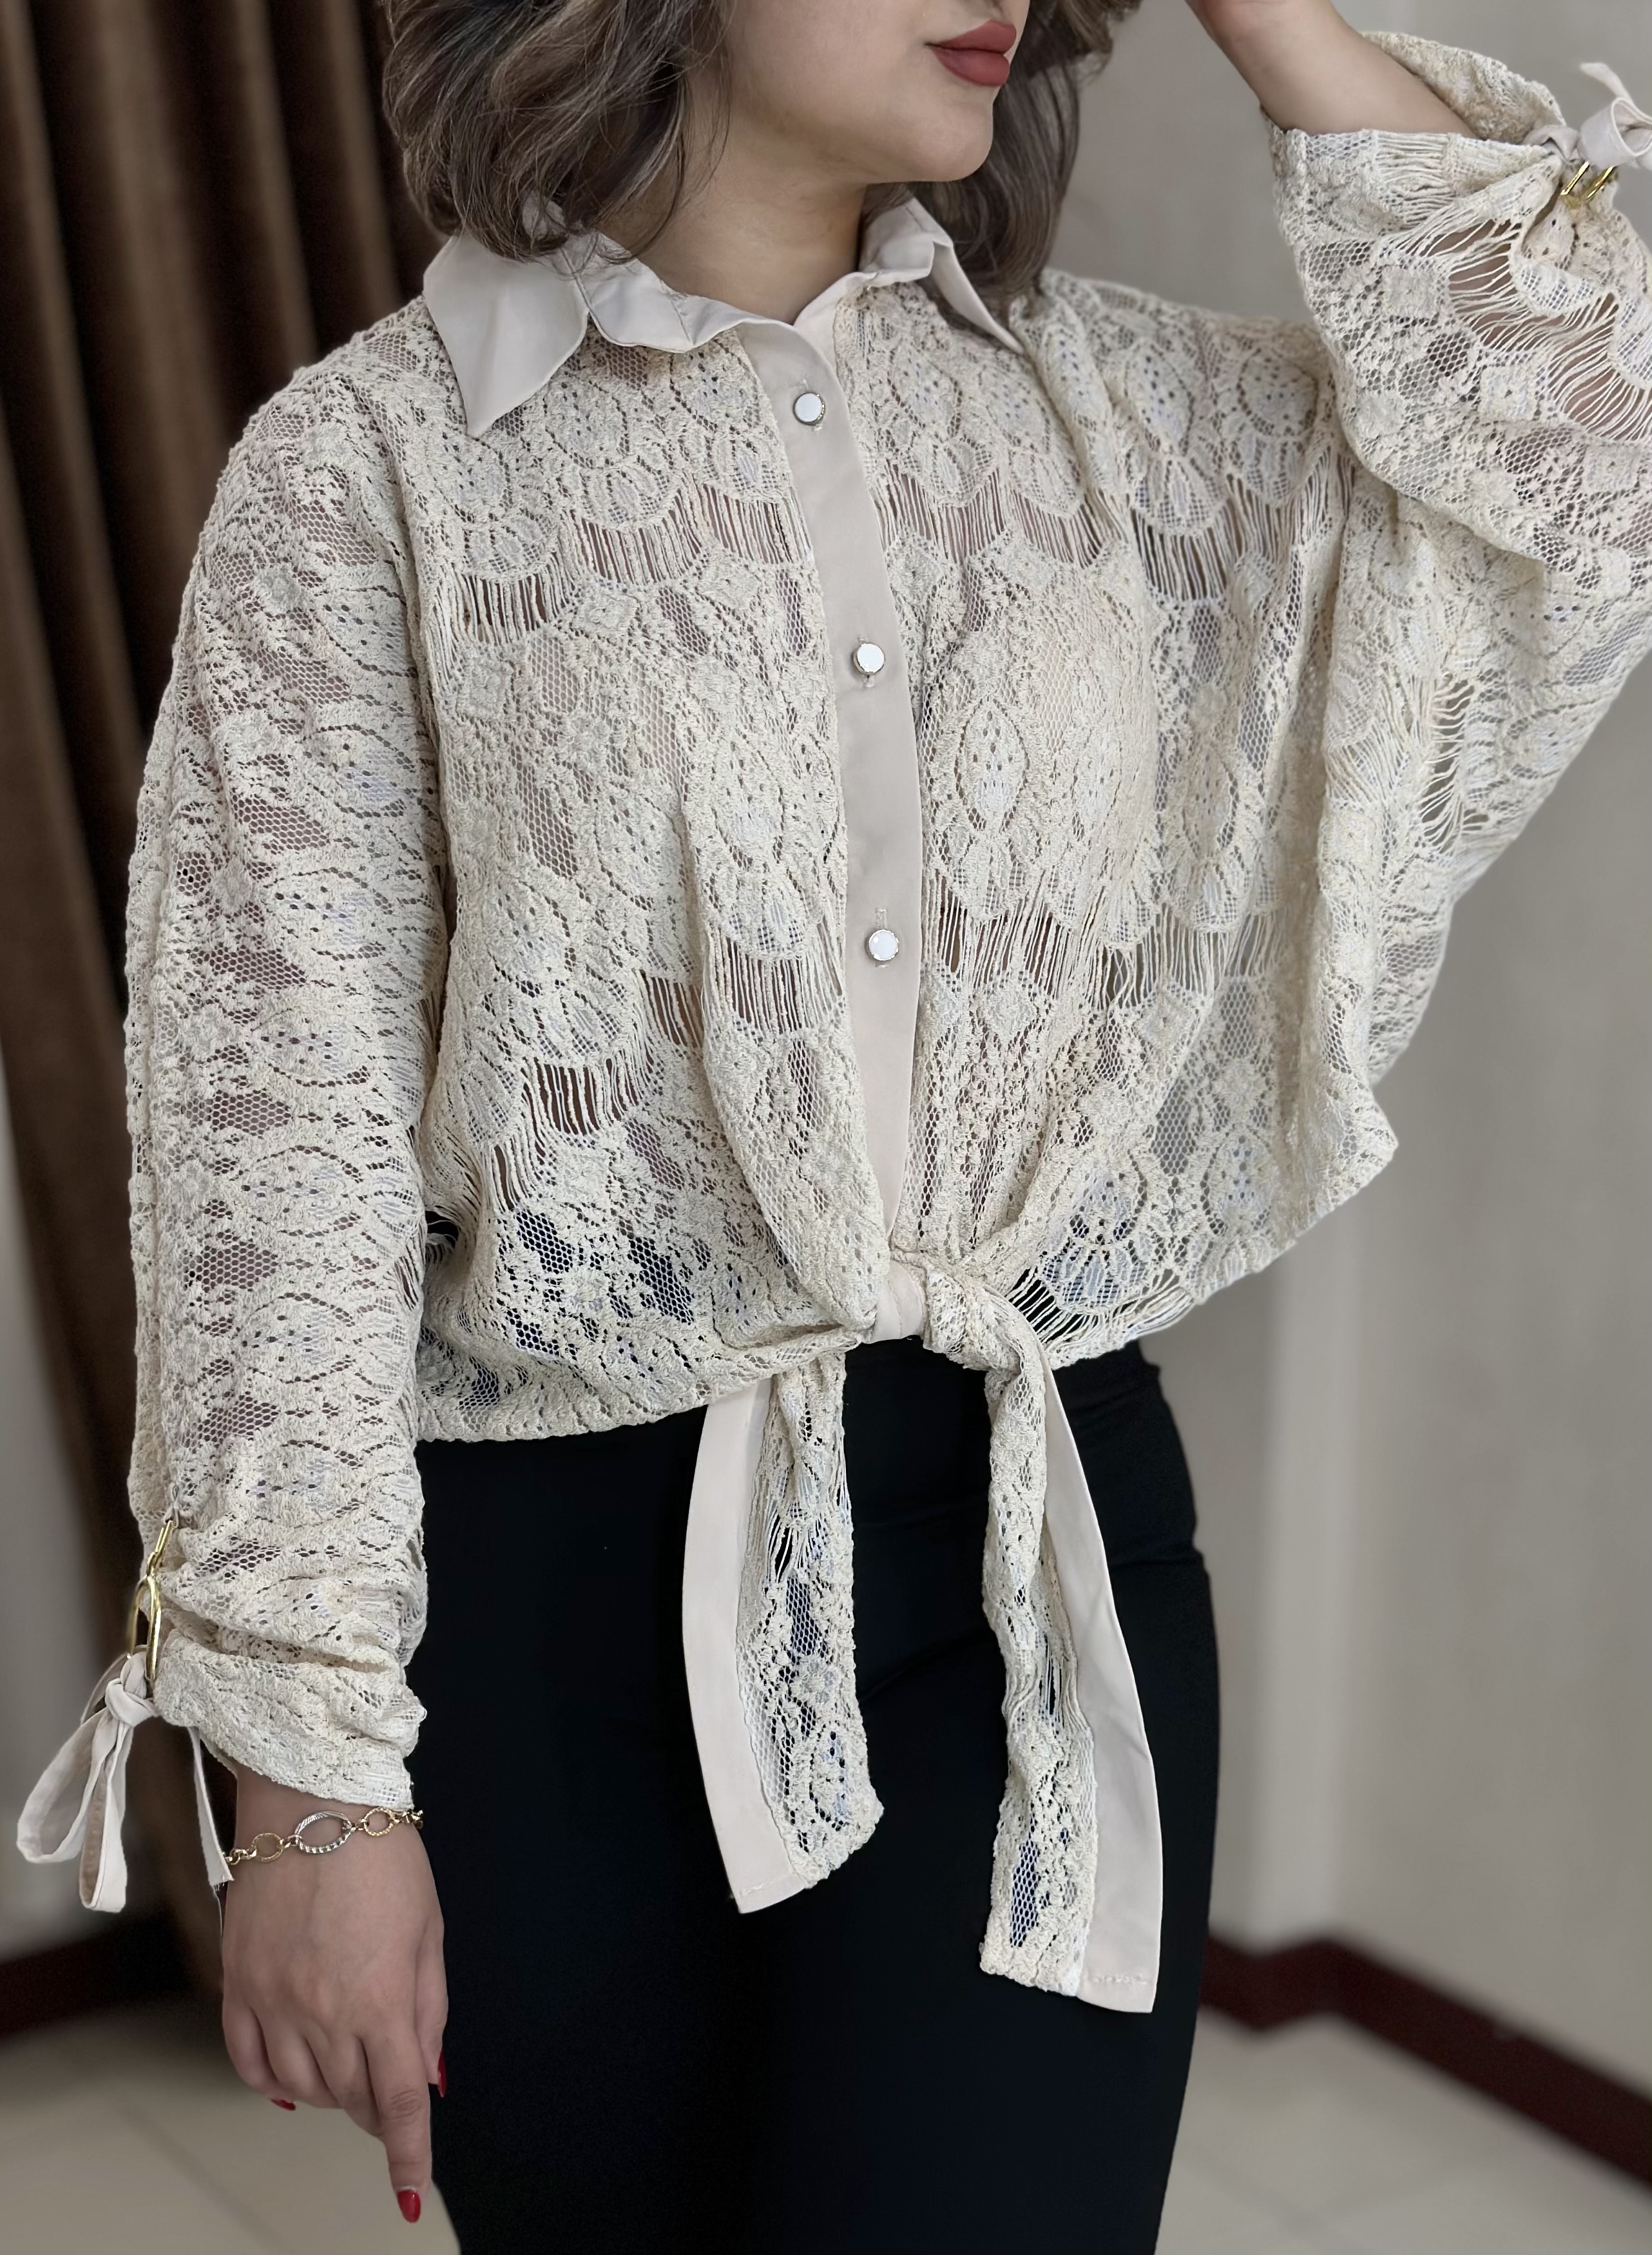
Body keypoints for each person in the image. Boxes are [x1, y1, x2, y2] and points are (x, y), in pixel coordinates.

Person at [20, 0, 1651, 2247]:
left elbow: (1592, 448)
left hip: (1026, 1552)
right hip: (543, 1616)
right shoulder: (373, 470)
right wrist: (306, 1788)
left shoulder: (1141, 423)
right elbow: (270, 1151)